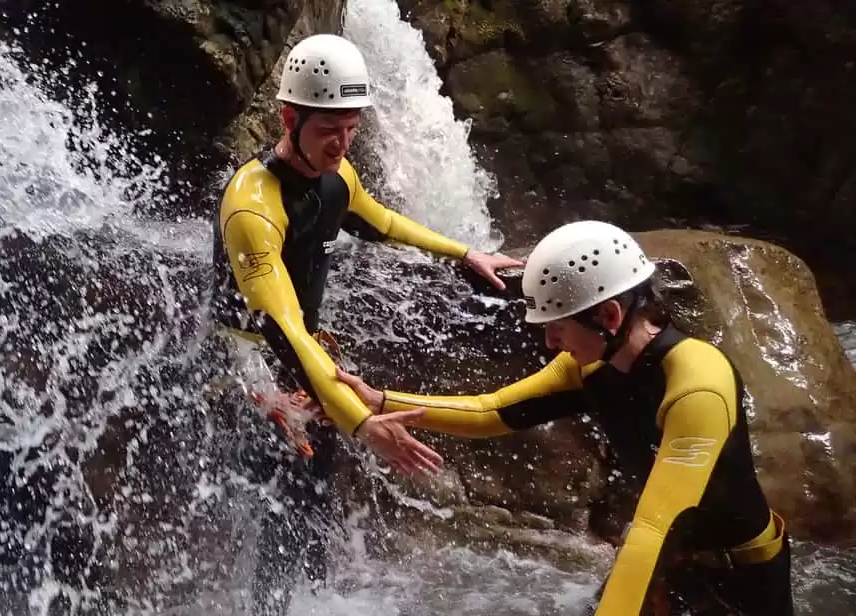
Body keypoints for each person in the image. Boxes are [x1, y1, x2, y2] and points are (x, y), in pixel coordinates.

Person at [208, 33, 522, 614]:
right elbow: (281, 328)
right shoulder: (254, 206)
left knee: (317, 483)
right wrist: (361, 422)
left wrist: (465, 253)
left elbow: (381, 221)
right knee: (287, 477)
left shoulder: (336, 175)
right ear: (289, 116)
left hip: (297, 346)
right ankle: (266, 605)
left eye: (352, 128)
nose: (343, 143)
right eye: (330, 129)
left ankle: (313, 597)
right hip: (244, 354)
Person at [336, 220, 794, 615]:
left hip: (741, 578)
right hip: (670, 561)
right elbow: (491, 411)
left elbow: (653, 529)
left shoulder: (697, 383)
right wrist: (379, 402)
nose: (551, 343)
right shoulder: (589, 367)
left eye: (558, 327)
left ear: (608, 315)